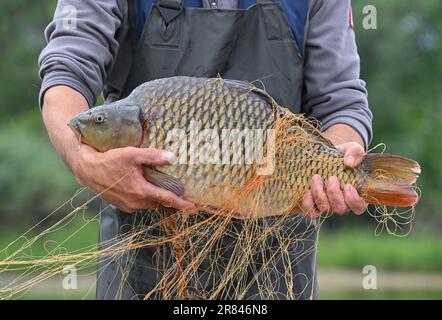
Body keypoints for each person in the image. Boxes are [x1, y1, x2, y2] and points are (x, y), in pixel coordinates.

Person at [39, 0, 372, 299]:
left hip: (274, 257)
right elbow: (67, 69)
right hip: (143, 256)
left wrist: (335, 163)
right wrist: (80, 157)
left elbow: (342, 104)